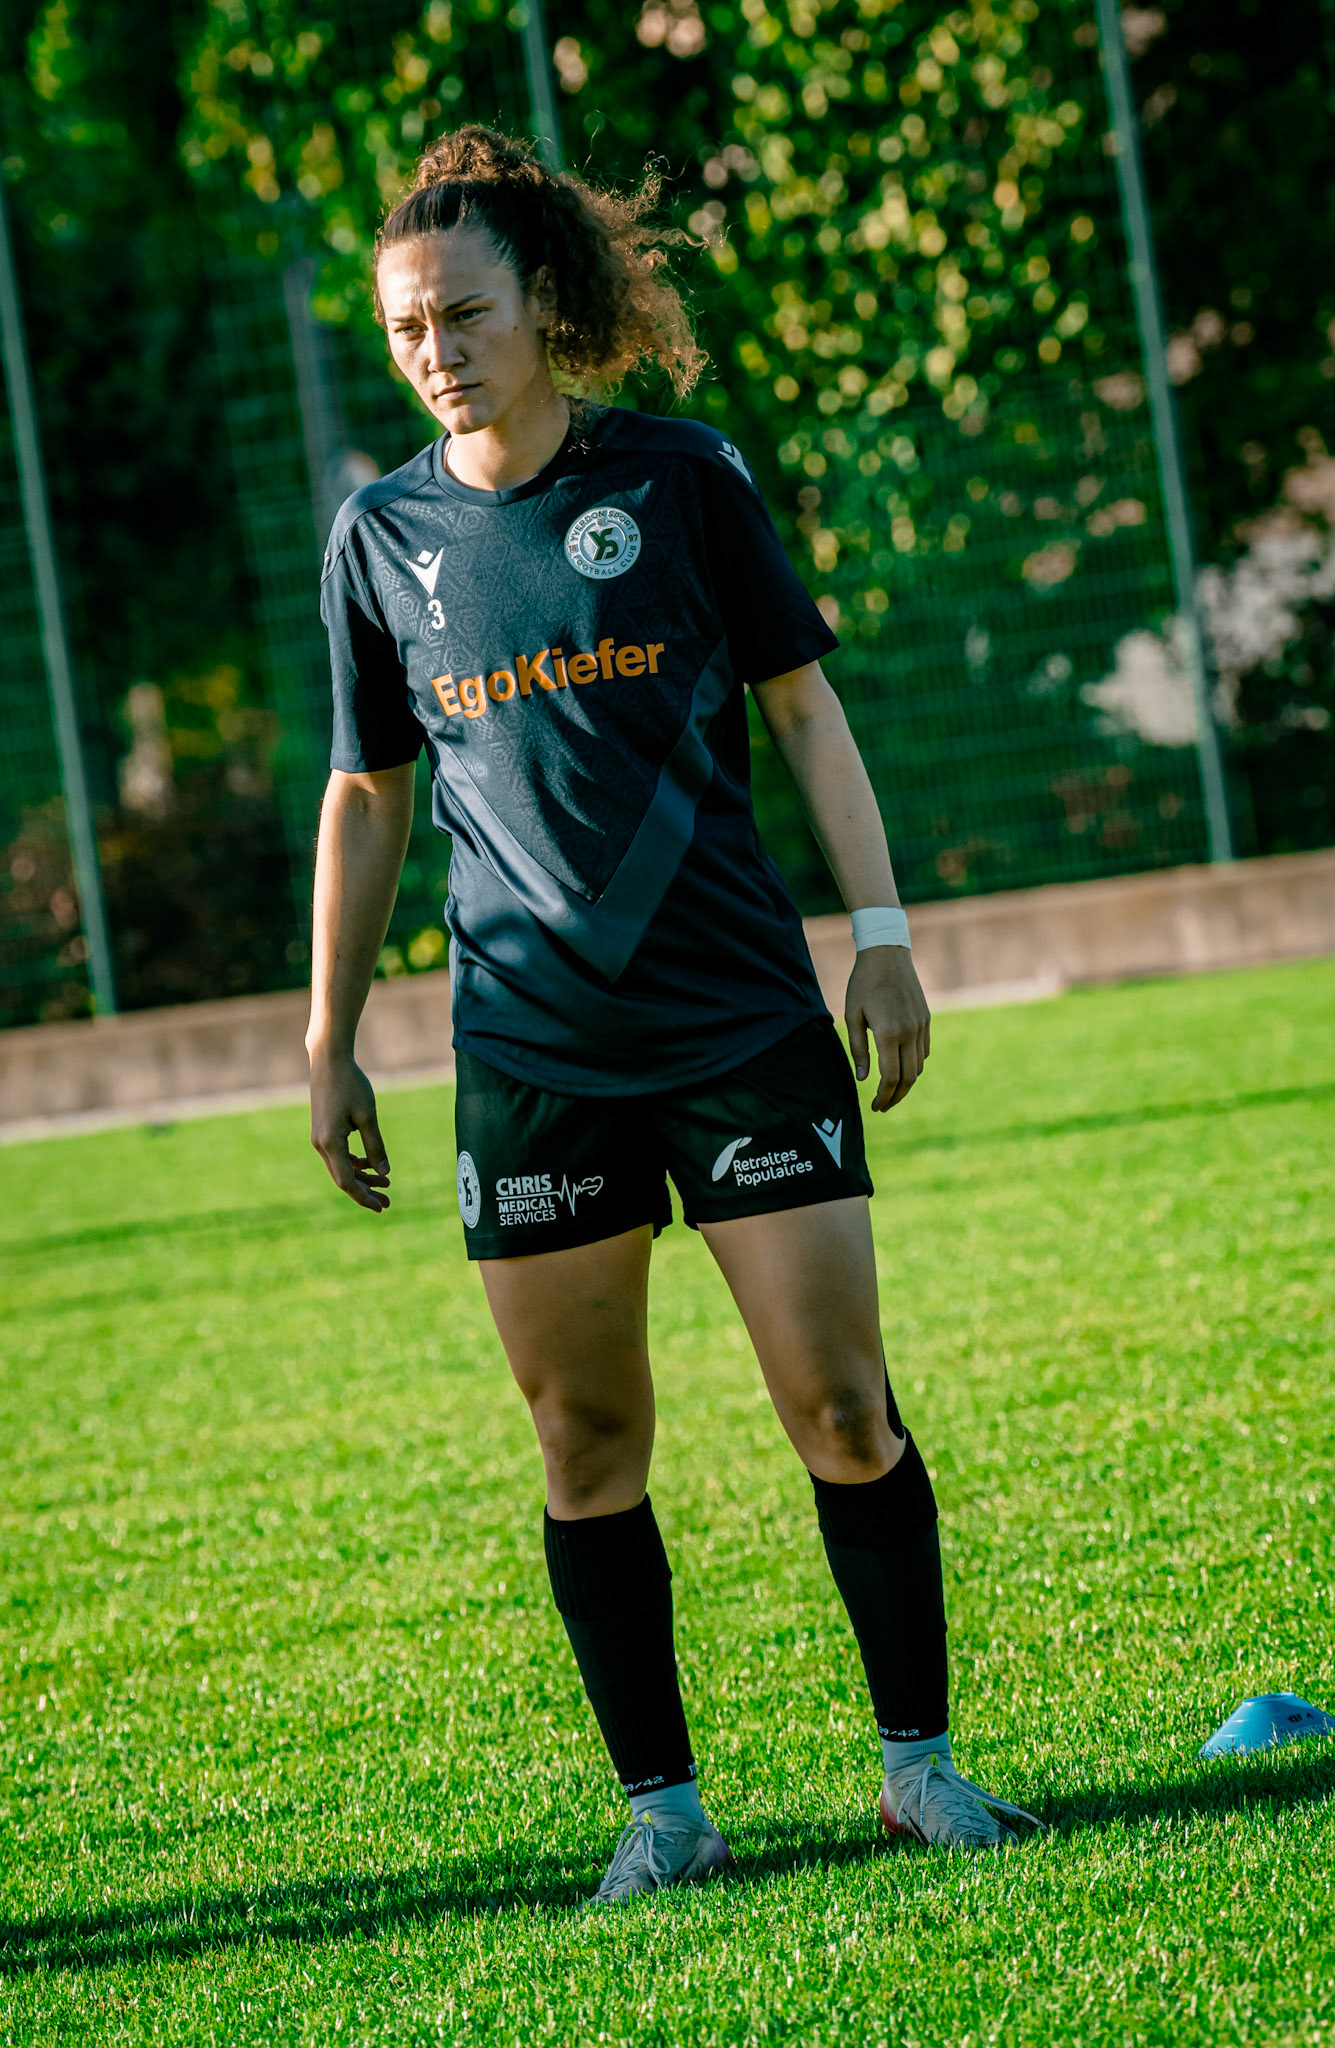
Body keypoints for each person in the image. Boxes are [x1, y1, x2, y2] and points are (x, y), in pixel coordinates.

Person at [308, 125, 1042, 1906]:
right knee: (585, 1444)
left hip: (732, 1020)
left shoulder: (684, 478)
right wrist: (326, 1042)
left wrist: (877, 933)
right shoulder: (380, 535)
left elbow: (802, 712)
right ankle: (665, 1813)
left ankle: (917, 1773)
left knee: (843, 1407)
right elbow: (366, 795)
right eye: (408, 327)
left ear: (545, 306)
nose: (437, 352)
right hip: (532, 1054)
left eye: (464, 314)